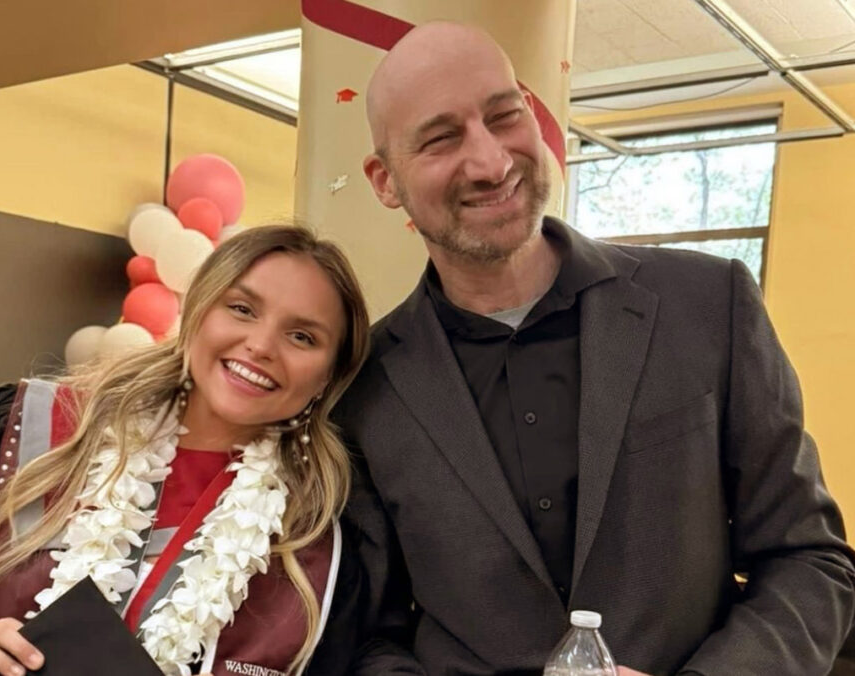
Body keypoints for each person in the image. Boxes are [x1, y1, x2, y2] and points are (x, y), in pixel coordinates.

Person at [337, 20, 855, 676]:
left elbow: (810, 561)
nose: (493, 162)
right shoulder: (365, 387)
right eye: (441, 139)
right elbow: (369, 637)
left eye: (505, 115)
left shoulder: (707, 306)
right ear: (385, 181)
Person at [0, 225, 371, 676]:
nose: (261, 345)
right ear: (199, 312)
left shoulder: (325, 531)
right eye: (242, 308)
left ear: (329, 374)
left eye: (303, 337)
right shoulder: (27, 428)